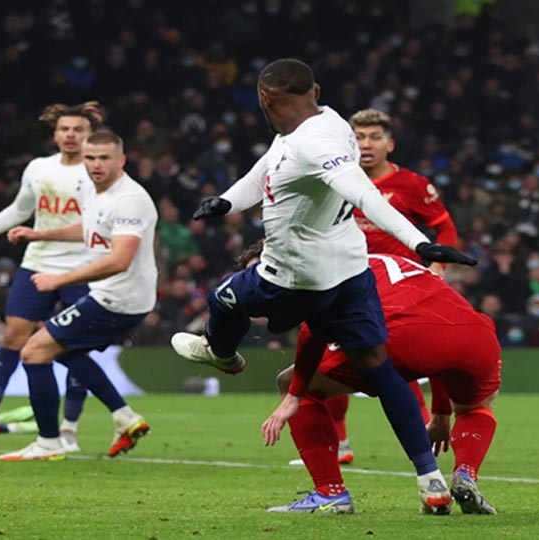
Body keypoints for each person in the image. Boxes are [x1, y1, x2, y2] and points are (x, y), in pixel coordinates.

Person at [173, 59, 476, 513]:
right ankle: (431, 481)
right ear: (314, 90)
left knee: (223, 298)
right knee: (377, 367)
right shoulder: (324, 122)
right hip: (350, 273)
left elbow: (364, 195)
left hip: (296, 276)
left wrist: (419, 243)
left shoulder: (314, 144)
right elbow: (266, 170)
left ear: (264, 98)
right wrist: (227, 202)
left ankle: (221, 354)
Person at [256, 247, 500, 515]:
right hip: (476, 334)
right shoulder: (396, 262)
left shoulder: (330, 271)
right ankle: (466, 472)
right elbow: (437, 333)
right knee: (475, 406)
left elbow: (311, 333)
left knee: (291, 381)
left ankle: (330, 493)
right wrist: (442, 413)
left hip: (400, 336)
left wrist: (294, 393)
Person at [0, 102, 115, 449]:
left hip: (83, 268)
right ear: (55, 133)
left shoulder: (99, 173)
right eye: (65, 129)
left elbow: (104, 223)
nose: (71, 135)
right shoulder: (38, 168)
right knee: (13, 337)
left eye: (78, 129)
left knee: (75, 347)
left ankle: (69, 430)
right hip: (37, 264)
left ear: (91, 134)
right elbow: (19, 210)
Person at [301, 108, 461, 466]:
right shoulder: (335, 178)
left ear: (390, 144)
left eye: (374, 137)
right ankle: (340, 444)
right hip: (341, 281)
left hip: (395, 288)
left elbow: (445, 227)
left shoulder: (414, 186)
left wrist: (438, 264)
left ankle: (423, 435)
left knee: (392, 359)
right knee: (328, 358)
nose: (366, 144)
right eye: (358, 137)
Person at [0, 131, 157, 461]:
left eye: (104, 158)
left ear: (122, 160)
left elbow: (119, 259)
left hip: (119, 299)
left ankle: (49, 443)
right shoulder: (92, 190)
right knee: (64, 351)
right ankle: (124, 417)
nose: (96, 165)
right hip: (113, 295)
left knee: (33, 352)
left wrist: (60, 279)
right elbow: (89, 229)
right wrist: (39, 233)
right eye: (90, 158)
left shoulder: (130, 199)